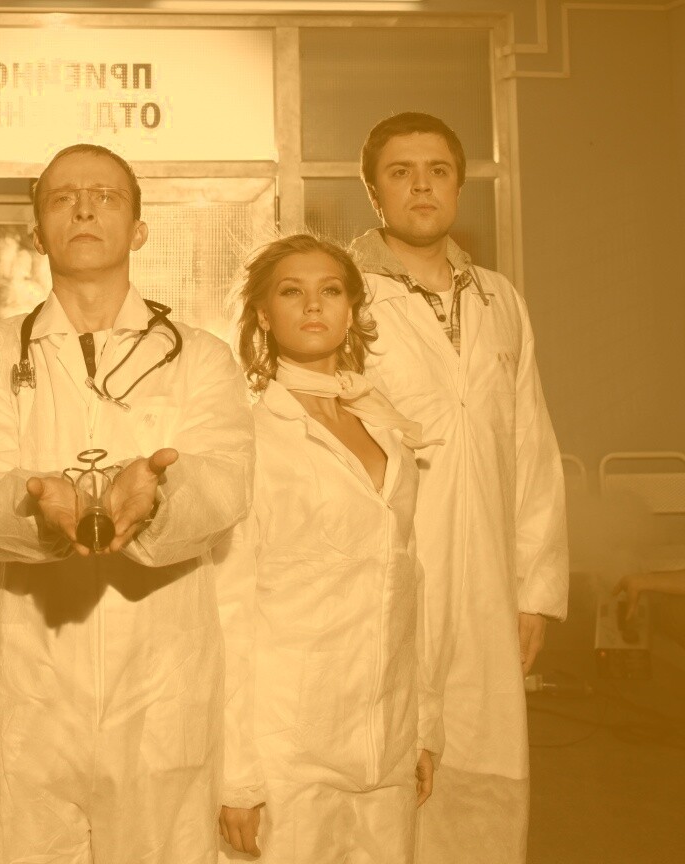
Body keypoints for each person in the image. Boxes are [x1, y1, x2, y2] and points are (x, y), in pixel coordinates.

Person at [0, 143, 255, 864]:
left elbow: (226, 483)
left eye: (105, 196)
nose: (83, 208)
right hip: (19, 689)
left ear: (139, 230)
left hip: (160, 687)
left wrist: (158, 500)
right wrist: (37, 509)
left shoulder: (201, 358)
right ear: (38, 232)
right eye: (63, 198)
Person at [347, 112, 568, 864]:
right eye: (401, 172)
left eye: (437, 171)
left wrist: (535, 589)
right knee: (384, 765)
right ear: (374, 191)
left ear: (459, 187)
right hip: (385, 572)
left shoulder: (500, 299)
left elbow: (531, 445)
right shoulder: (343, 297)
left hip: (487, 578)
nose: (422, 187)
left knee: (482, 760)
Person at [215, 234, 443, 863]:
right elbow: (228, 608)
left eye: (331, 290)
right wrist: (236, 773)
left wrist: (422, 724)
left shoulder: (387, 431)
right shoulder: (251, 437)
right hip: (288, 746)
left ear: (351, 310)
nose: (314, 305)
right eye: (292, 292)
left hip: (385, 742)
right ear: (264, 316)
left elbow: (410, 587)